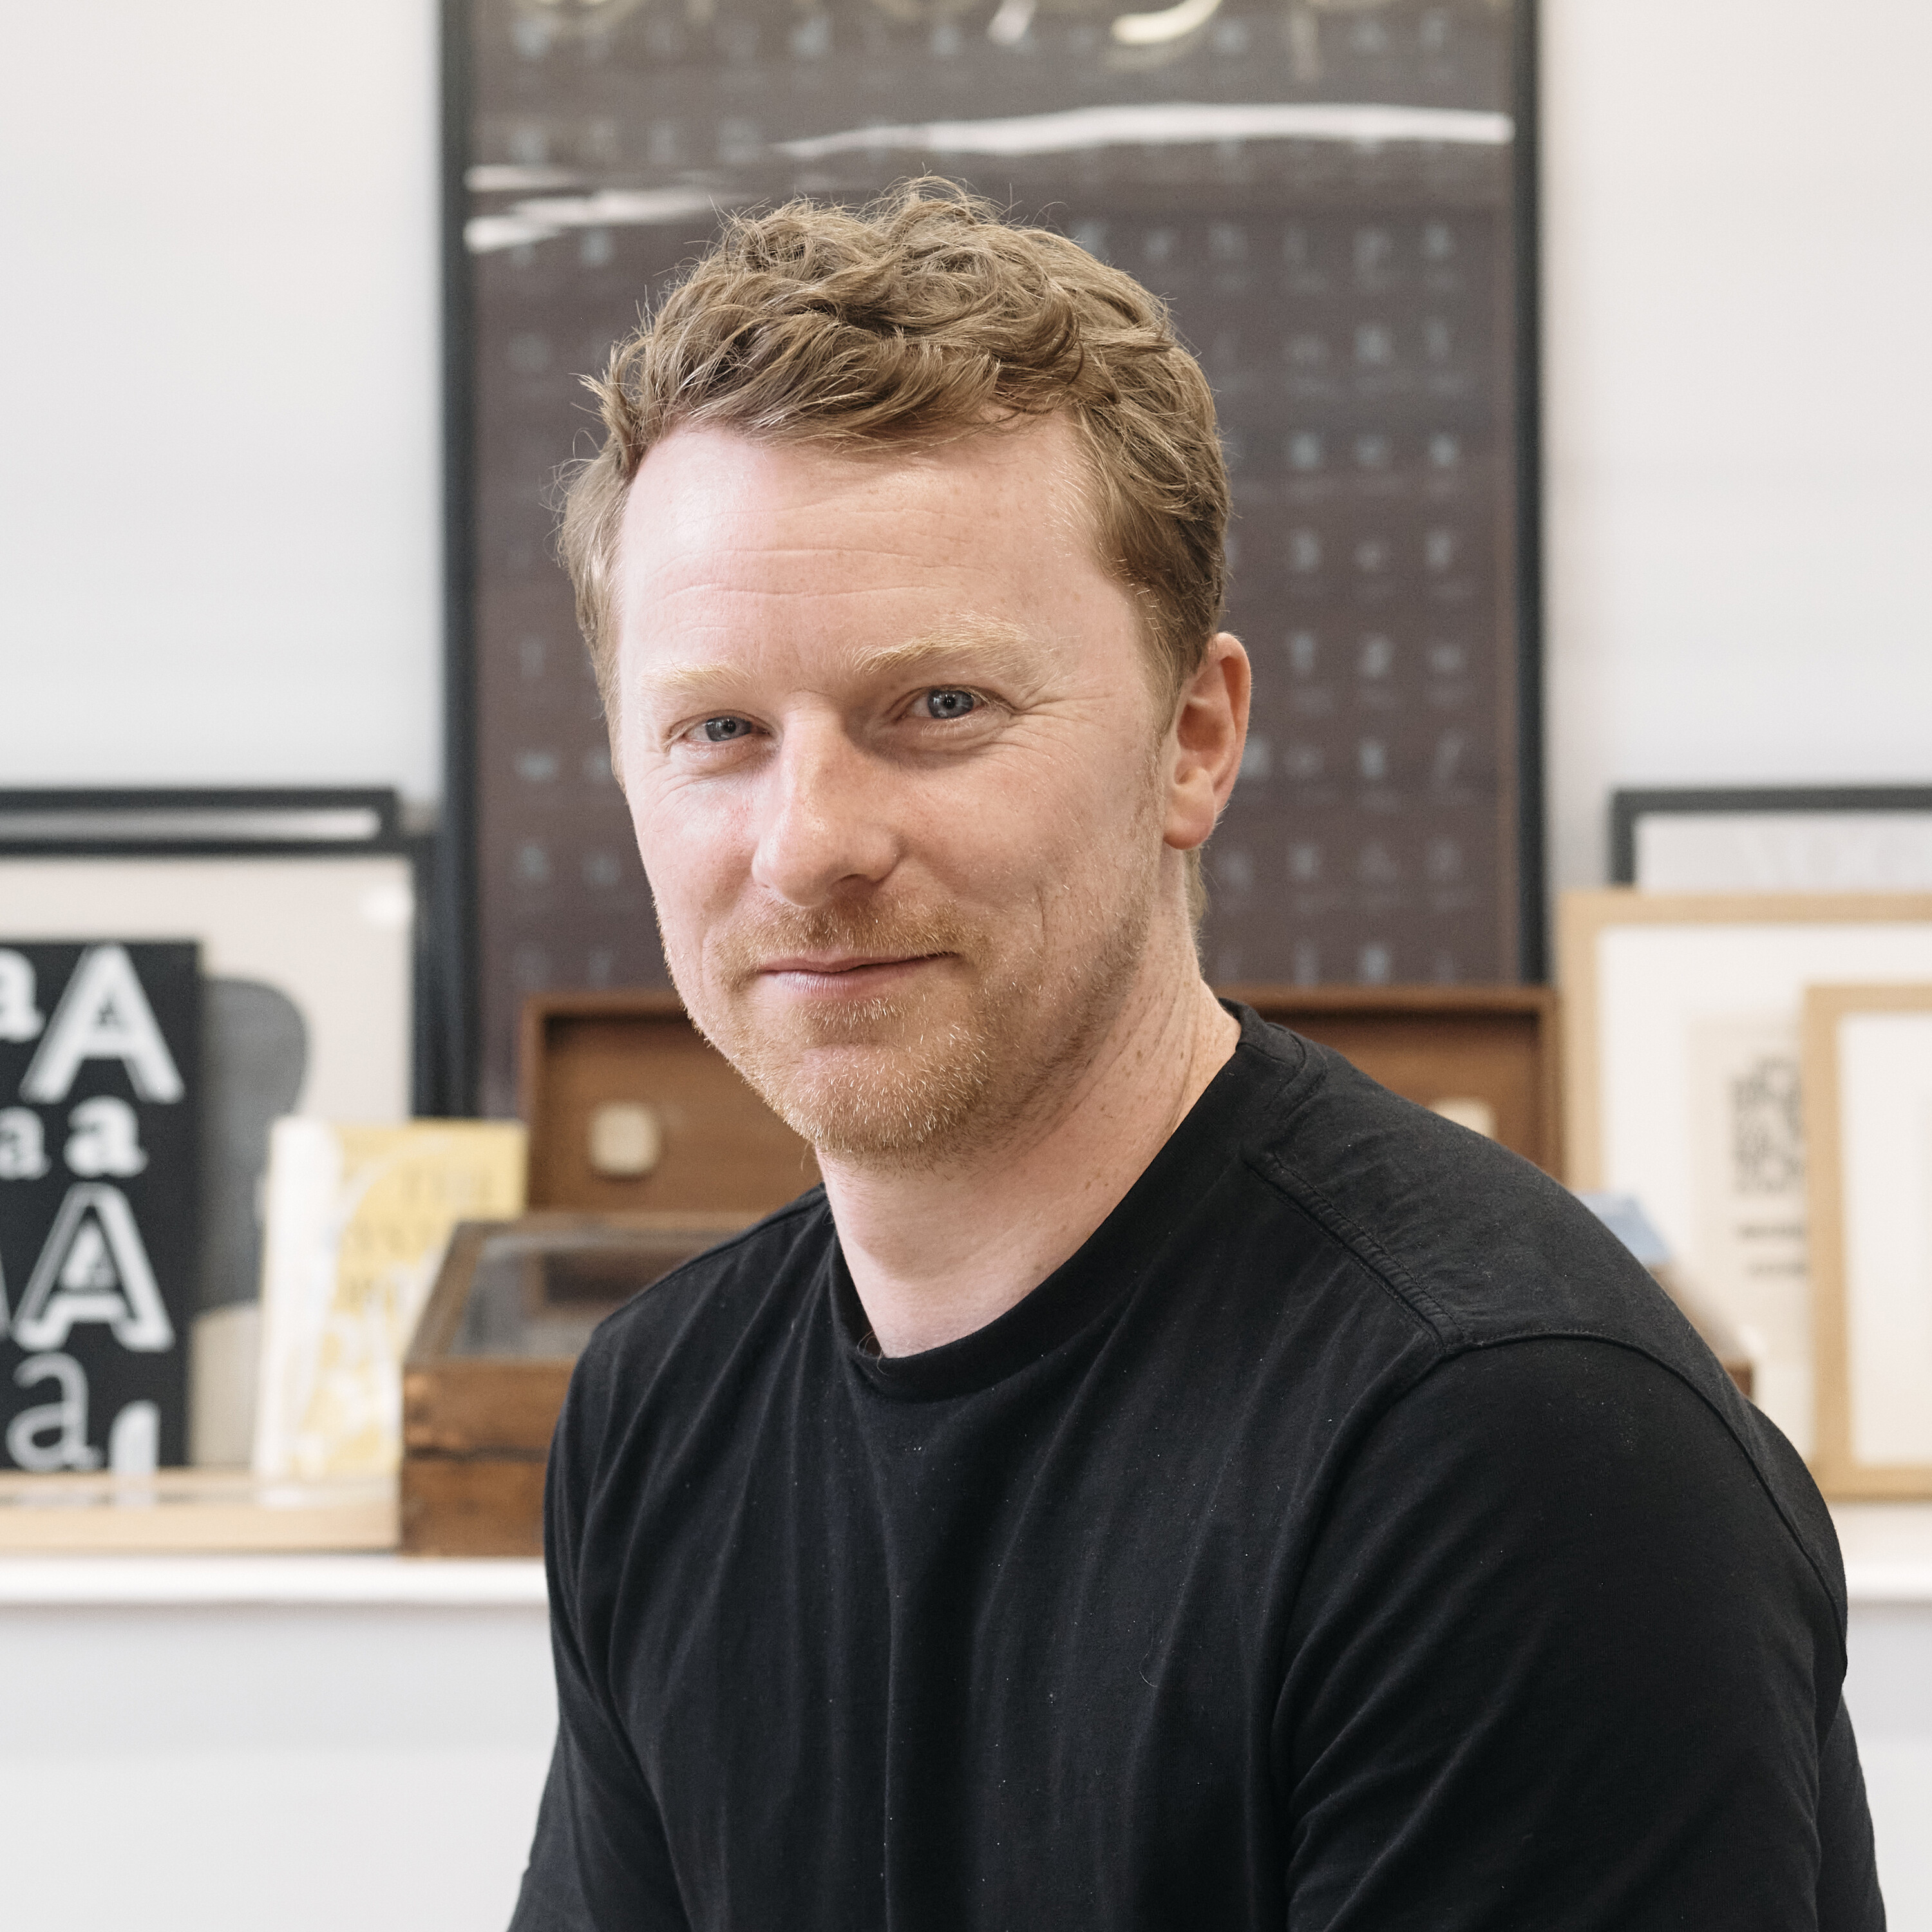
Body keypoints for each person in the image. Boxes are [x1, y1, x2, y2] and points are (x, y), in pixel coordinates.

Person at [510, 184, 1884, 1930]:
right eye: (718, 729)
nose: (808, 847)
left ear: (1195, 740)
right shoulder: (659, 1410)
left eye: (940, 708)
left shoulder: (1505, 1445)